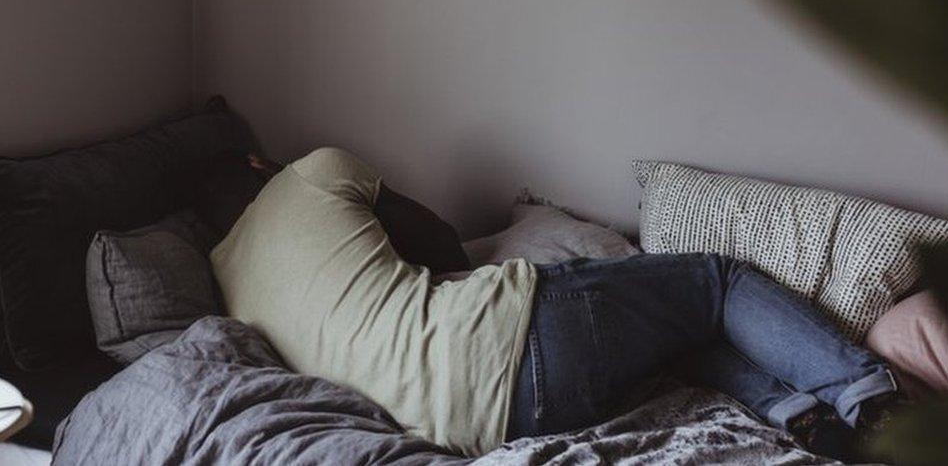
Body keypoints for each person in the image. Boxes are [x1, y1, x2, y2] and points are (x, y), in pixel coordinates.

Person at [213, 148, 900, 462]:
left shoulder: (224, 279)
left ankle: (797, 413)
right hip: (518, 338)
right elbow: (445, 244)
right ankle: (873, 397)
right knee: (716, 282)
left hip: (483, 428)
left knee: (662, 332)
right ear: (254, 167)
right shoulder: (315, 170)